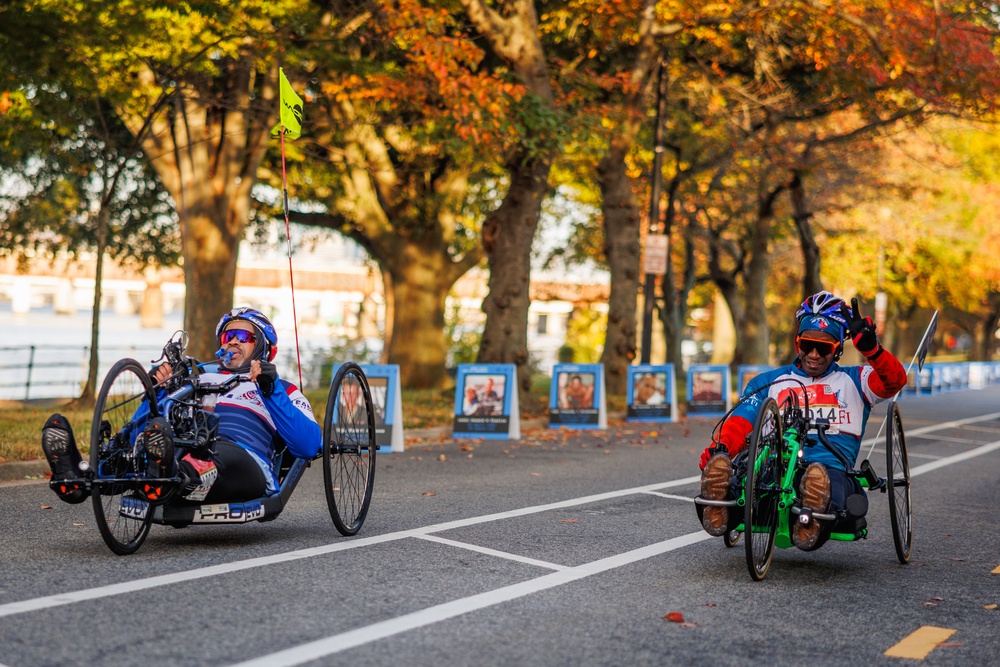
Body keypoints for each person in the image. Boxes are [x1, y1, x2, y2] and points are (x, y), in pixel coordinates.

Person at [40, 307, 322, 505]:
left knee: (212, 455)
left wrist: (270, 389)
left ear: (263, 347)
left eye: (245, 337)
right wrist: (157, 391)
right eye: (228, 336)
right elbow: (151, 423)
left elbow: (308, 446)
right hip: (182, 442)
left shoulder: (283, 389)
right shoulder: (198, 376)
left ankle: (169, 474)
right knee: (145, 443)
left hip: (243, 458)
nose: (234, 340)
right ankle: (80, 477)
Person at [696, 292, 906, 550]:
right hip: (775, 466)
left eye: (824, 347)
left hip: (830, 466)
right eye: (808, 345)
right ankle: (720, 507)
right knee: (749, 480)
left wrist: (872, 351)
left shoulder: (857, 379)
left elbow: (895, 381)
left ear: (838, 348)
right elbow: (741, 421)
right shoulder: (767, 382)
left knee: (831, 483)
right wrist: (723, 449)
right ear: (797, 343)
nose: (814, 354)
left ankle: (811, 517)